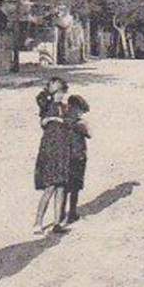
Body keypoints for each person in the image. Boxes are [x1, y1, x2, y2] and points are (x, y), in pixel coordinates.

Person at [33, 76, 72, 233]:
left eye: (62, 92)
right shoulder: (47, 106)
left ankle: (57, 223)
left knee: (61, 187)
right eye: (57, 92)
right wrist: (53, 117)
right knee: (50, 187)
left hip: (63, 150)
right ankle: (38, 222)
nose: (60, 95)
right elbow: (41, 102)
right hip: (50, 150)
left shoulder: (64, 107)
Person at [61, 94, 91, 226]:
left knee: (63, 187)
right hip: (78, 156)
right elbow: (89, 134)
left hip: (65, 156)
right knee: (75, 187)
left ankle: (61, 214)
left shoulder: (63, 119)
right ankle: (71, 213)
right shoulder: (79, 123)